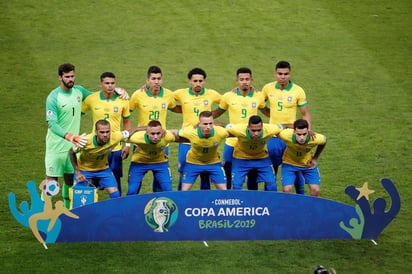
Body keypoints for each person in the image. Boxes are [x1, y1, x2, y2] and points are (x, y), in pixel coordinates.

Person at [45, 63, 129, 208]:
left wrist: (117, 89)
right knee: (52, 184)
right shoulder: (53, 97)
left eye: (72, 76)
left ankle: (67, 212)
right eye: (67, 77)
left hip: (75, 144)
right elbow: (52, 124)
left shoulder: (79, 91)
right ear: (60, 77)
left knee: (70, 181)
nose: (70, 79)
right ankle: (42, 211)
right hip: (57, 145)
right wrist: (70, 137)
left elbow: (99, 95)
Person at [261, 60, 313, 194]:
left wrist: (307, 131)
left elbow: (305, 113)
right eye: (280, 73)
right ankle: (270, 200)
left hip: (291, 137)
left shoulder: (298, 91)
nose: (282, 76)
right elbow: (259, 103)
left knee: (296, 169)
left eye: (286, 74)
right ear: (275, 74)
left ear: (290, 74)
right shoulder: (268, 88)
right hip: (274, 137)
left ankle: (299, 200)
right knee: (271, 170)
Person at [212, 67, 266, 189]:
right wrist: (205, 120)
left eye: (247, 79)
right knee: (227, 167)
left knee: (252, 171)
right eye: (241, 79)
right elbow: (218, 112)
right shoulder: (228, 96)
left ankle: (252, 198)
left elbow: (266, 111)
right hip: (232, 139)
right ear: (237, 80)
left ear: (251, 80)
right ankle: (229, 196)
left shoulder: (259, 96)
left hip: (250, 139)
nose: (244, 82)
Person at [129, 65, 179, 192]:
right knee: (135, 184)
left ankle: (157, 207)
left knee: (159, 182)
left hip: (161, 141)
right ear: (147, 80)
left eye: (159, 78)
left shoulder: (168, 94)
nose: (156, 81)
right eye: (153, 78)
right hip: (142, 142)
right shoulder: (138, 95)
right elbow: (126, 114)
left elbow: (175, 107)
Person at [81, 72, 131, 196]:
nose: (110, 86)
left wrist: (128, 144)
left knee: (115, 178)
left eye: (112, 83)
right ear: (100, 84)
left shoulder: (123, 100)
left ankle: (116, 206)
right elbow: (78, 115)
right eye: (107, 83)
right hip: (96, 147)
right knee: (92, 179)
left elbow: (127, 122)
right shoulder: (91, 99)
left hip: (115, 147)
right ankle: (91, 204)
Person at [174, 68, 221, 190]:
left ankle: (204, 203)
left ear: (204, 81)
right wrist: (147, 87)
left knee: (205, 172)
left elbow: (227, 103)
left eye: (200, 81)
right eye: (195, 81)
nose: (198, 83)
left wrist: (211, 118)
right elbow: (166, 100)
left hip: (205, 139)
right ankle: (181, 198)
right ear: (190, 81)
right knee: (183, 171)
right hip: (186, 140)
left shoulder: (212, 94)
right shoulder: (181, 93)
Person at [68, 120, 138, 199]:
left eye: (107, 132)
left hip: (103, 170)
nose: (105, 135)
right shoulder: (85, 140)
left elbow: (130, 131)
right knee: (80, 197)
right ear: (96, 132)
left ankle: (114, 211)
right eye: (102, 132)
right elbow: (71, 152)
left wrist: (146, 128)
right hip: (84, 171)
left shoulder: (115, 137)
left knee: (115, 195)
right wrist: (77, 172)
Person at [127, 120, 188, 195]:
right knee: (132, 191)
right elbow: (119, 137)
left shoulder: (166, 136)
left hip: (160, 163)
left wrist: (199, 140)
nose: (155, 137)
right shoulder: (136, 137)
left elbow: (180, 139)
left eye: (158, 133)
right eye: (152, 134)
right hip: (139, 163)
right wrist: (136, 129)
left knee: (168, 190)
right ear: (147, 133)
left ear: (162, 132)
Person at [226, 115, 283, 191]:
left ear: (262, 127)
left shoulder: (270, 129)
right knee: (236, 186)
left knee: (272, 186)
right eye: (253, 130)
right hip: (241, 159)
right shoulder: (238, 130)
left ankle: (268, 202)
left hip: (262, 159)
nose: (256, 133)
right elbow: (223, 129)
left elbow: (283, 127)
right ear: (248, 127)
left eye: (259, 130)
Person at [177, 111, 228, 191]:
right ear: (199, 124)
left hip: (213, 163)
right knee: (184, 191)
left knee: (224, 190)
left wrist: (224, 125)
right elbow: (174, 133)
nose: (208, 127)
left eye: (210, 123)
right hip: (193, 163)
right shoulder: (190, 132)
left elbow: (234, 130)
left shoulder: (220, 132)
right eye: (205, 124)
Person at [277, 119, 326, 197]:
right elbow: (279, 127)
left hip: (308, 165)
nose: (302, 137)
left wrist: (315, 158)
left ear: (308, 131)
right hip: (289, 164)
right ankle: (289, 208)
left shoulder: (314, 138)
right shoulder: (286, 135)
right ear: (294, 131)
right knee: (287, 190)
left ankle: (312, 209)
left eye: (304, 134)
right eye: (299, 134)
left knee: (315, 190)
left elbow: (324, 140)